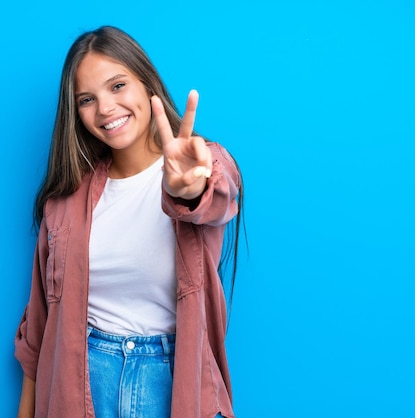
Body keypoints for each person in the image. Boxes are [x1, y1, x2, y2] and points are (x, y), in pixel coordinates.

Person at [14, 25, 244, 418]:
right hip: (80, 379)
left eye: (117, 86)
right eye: (87, 98)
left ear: (146, 83)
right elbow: (39, 328)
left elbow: (216, 196)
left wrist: (188, 188)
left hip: (170, 382)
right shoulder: (65, 200)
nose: (105, 108)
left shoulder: (200, 163)